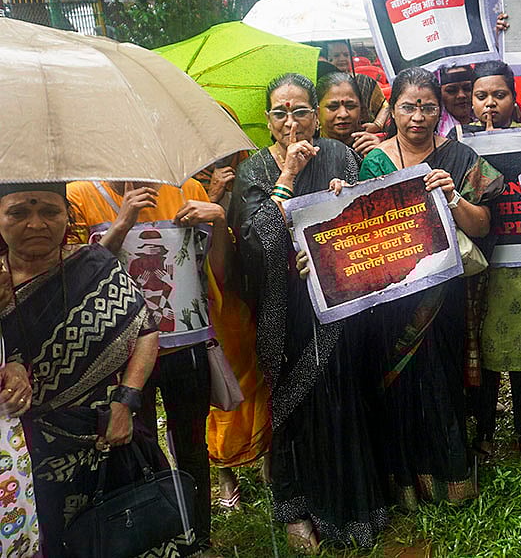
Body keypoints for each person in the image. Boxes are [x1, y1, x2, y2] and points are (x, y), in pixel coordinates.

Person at [230, 73, 387, 552]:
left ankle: (353, 506)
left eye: (301, 111)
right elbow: (258, 246)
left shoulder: (341, 156)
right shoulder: (254, 170)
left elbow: (366, 224)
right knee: (295, 407)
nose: (292, 121)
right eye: (281, 112)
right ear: (268, 121)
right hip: (282, 307)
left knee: (344, 396)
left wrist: (344, 200)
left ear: (314, 116)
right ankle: (295, 506)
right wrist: (289, 178)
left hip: (338, 301)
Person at [0, 183, 183, 557]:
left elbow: (146, 331)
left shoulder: (94, 265)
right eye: (18, 213)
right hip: (23, 457)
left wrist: (125, 401)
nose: (36, 224)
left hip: (108, 436)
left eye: (49, 212)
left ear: (68, 215)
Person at [359, 67, 503, 508]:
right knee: (400, 388)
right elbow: (360, 231)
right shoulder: (374, 162)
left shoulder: (458, 158)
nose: (417, 117)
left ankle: (451, 478)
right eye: (408, 107)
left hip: (444, 295)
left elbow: (483, 227)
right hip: (394, 297)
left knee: (442, 379)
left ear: (438, 110)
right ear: (393, 109)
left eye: (427, 107)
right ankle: (406, 484)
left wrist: (454, 198)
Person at [67, 171, 229, 555]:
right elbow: (77, 279)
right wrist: (122, 222)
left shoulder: (187, 189)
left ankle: (198, 537)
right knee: (134, 448)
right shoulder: (82, 196)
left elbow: (218, 271)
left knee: (191, 445)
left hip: (183, 348)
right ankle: (151, 539)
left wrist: (219, 219)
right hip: (120, 357)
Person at [449, 61, 521, 465]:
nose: (490, 103)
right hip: (480, 267)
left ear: (514, 98)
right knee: (485, 354)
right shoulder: (456, 143)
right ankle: (486, 430)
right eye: (481, 96)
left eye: (500, 95)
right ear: (470, 101)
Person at [317, 71, 382, 158]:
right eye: (333, 107)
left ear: (362, 111)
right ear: (317, 113)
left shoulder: (371, 147)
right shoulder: (309, 152)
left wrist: (380, 156)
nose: (343, 114)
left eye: (350, 106)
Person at [439, 65, 475, 132]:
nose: (461, 95)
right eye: (451, 90)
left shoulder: (488, 124)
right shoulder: (432, 133)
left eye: (467, 88)